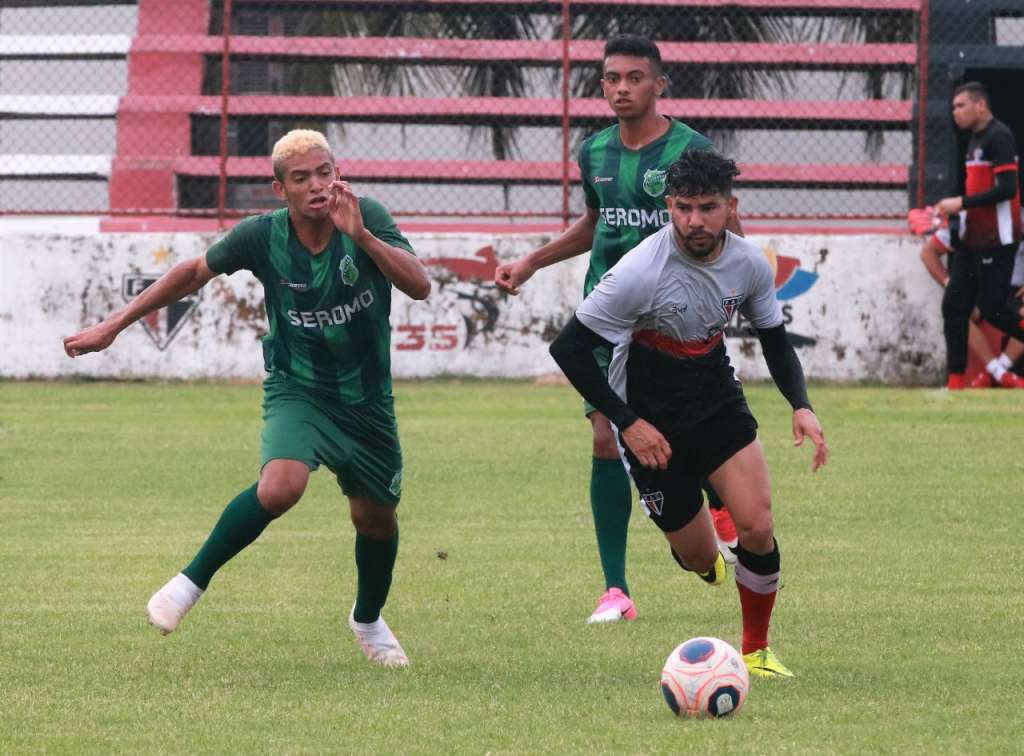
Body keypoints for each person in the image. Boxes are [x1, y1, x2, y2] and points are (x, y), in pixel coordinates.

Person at [62, 129, 430, 667]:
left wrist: (366, 238)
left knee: (376, 520)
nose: (317, 186)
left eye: (324, 172)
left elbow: (420, 285)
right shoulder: (262, 236)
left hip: (367, 400)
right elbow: (192, 272)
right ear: (280, 189)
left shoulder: (366, 214)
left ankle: (368, 619)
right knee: (281, 486)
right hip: (298, 387)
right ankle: (189, 583)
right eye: (301, 178)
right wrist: (114, 326)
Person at [548, 149, 828, 678]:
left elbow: (774, 340)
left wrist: (802, 407)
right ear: (669, 207)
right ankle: (708, 553)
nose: (694, 221)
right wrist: (627, 422)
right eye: (682, 208)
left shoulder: (747, 262)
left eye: (707, 207)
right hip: (648, 413)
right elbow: (568, 349)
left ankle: (755, 651)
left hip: (716, 398)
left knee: (758, 527)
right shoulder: (639, 271)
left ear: (730, 207)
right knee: (700, 559)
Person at [495, 34, 740, 624]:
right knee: (607, 437)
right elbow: (595, 224)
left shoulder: (689, 150)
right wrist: (532, 260)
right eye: (611, 78)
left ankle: (718, 514)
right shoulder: (595, 152)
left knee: (686, 428)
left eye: (634, 77)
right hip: (607, 320)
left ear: (660, 84)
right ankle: (616, 590)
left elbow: (726, 224)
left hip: (678, 319)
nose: (622, 88)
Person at [935, 82, 1024, 389]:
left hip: (996, 240)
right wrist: (953, 211)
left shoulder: (1000, 137)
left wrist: (961, 202)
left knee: (994, 308)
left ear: (980, 106)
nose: (955, 112)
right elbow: (978, 190)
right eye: (953, 107)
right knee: (954, 306)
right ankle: (955, 383)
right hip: (972, 240)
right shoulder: (973, 139)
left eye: (960, 106)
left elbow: (1007, 189)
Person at [919, 218, 1024, 387]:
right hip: (981, 291)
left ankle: (996, 372)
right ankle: (997, 371)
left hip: (1013, 290)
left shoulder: (1016, 215)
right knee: (957, 309)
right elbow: (928, 253)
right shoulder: (968, 218)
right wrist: (951, 286)